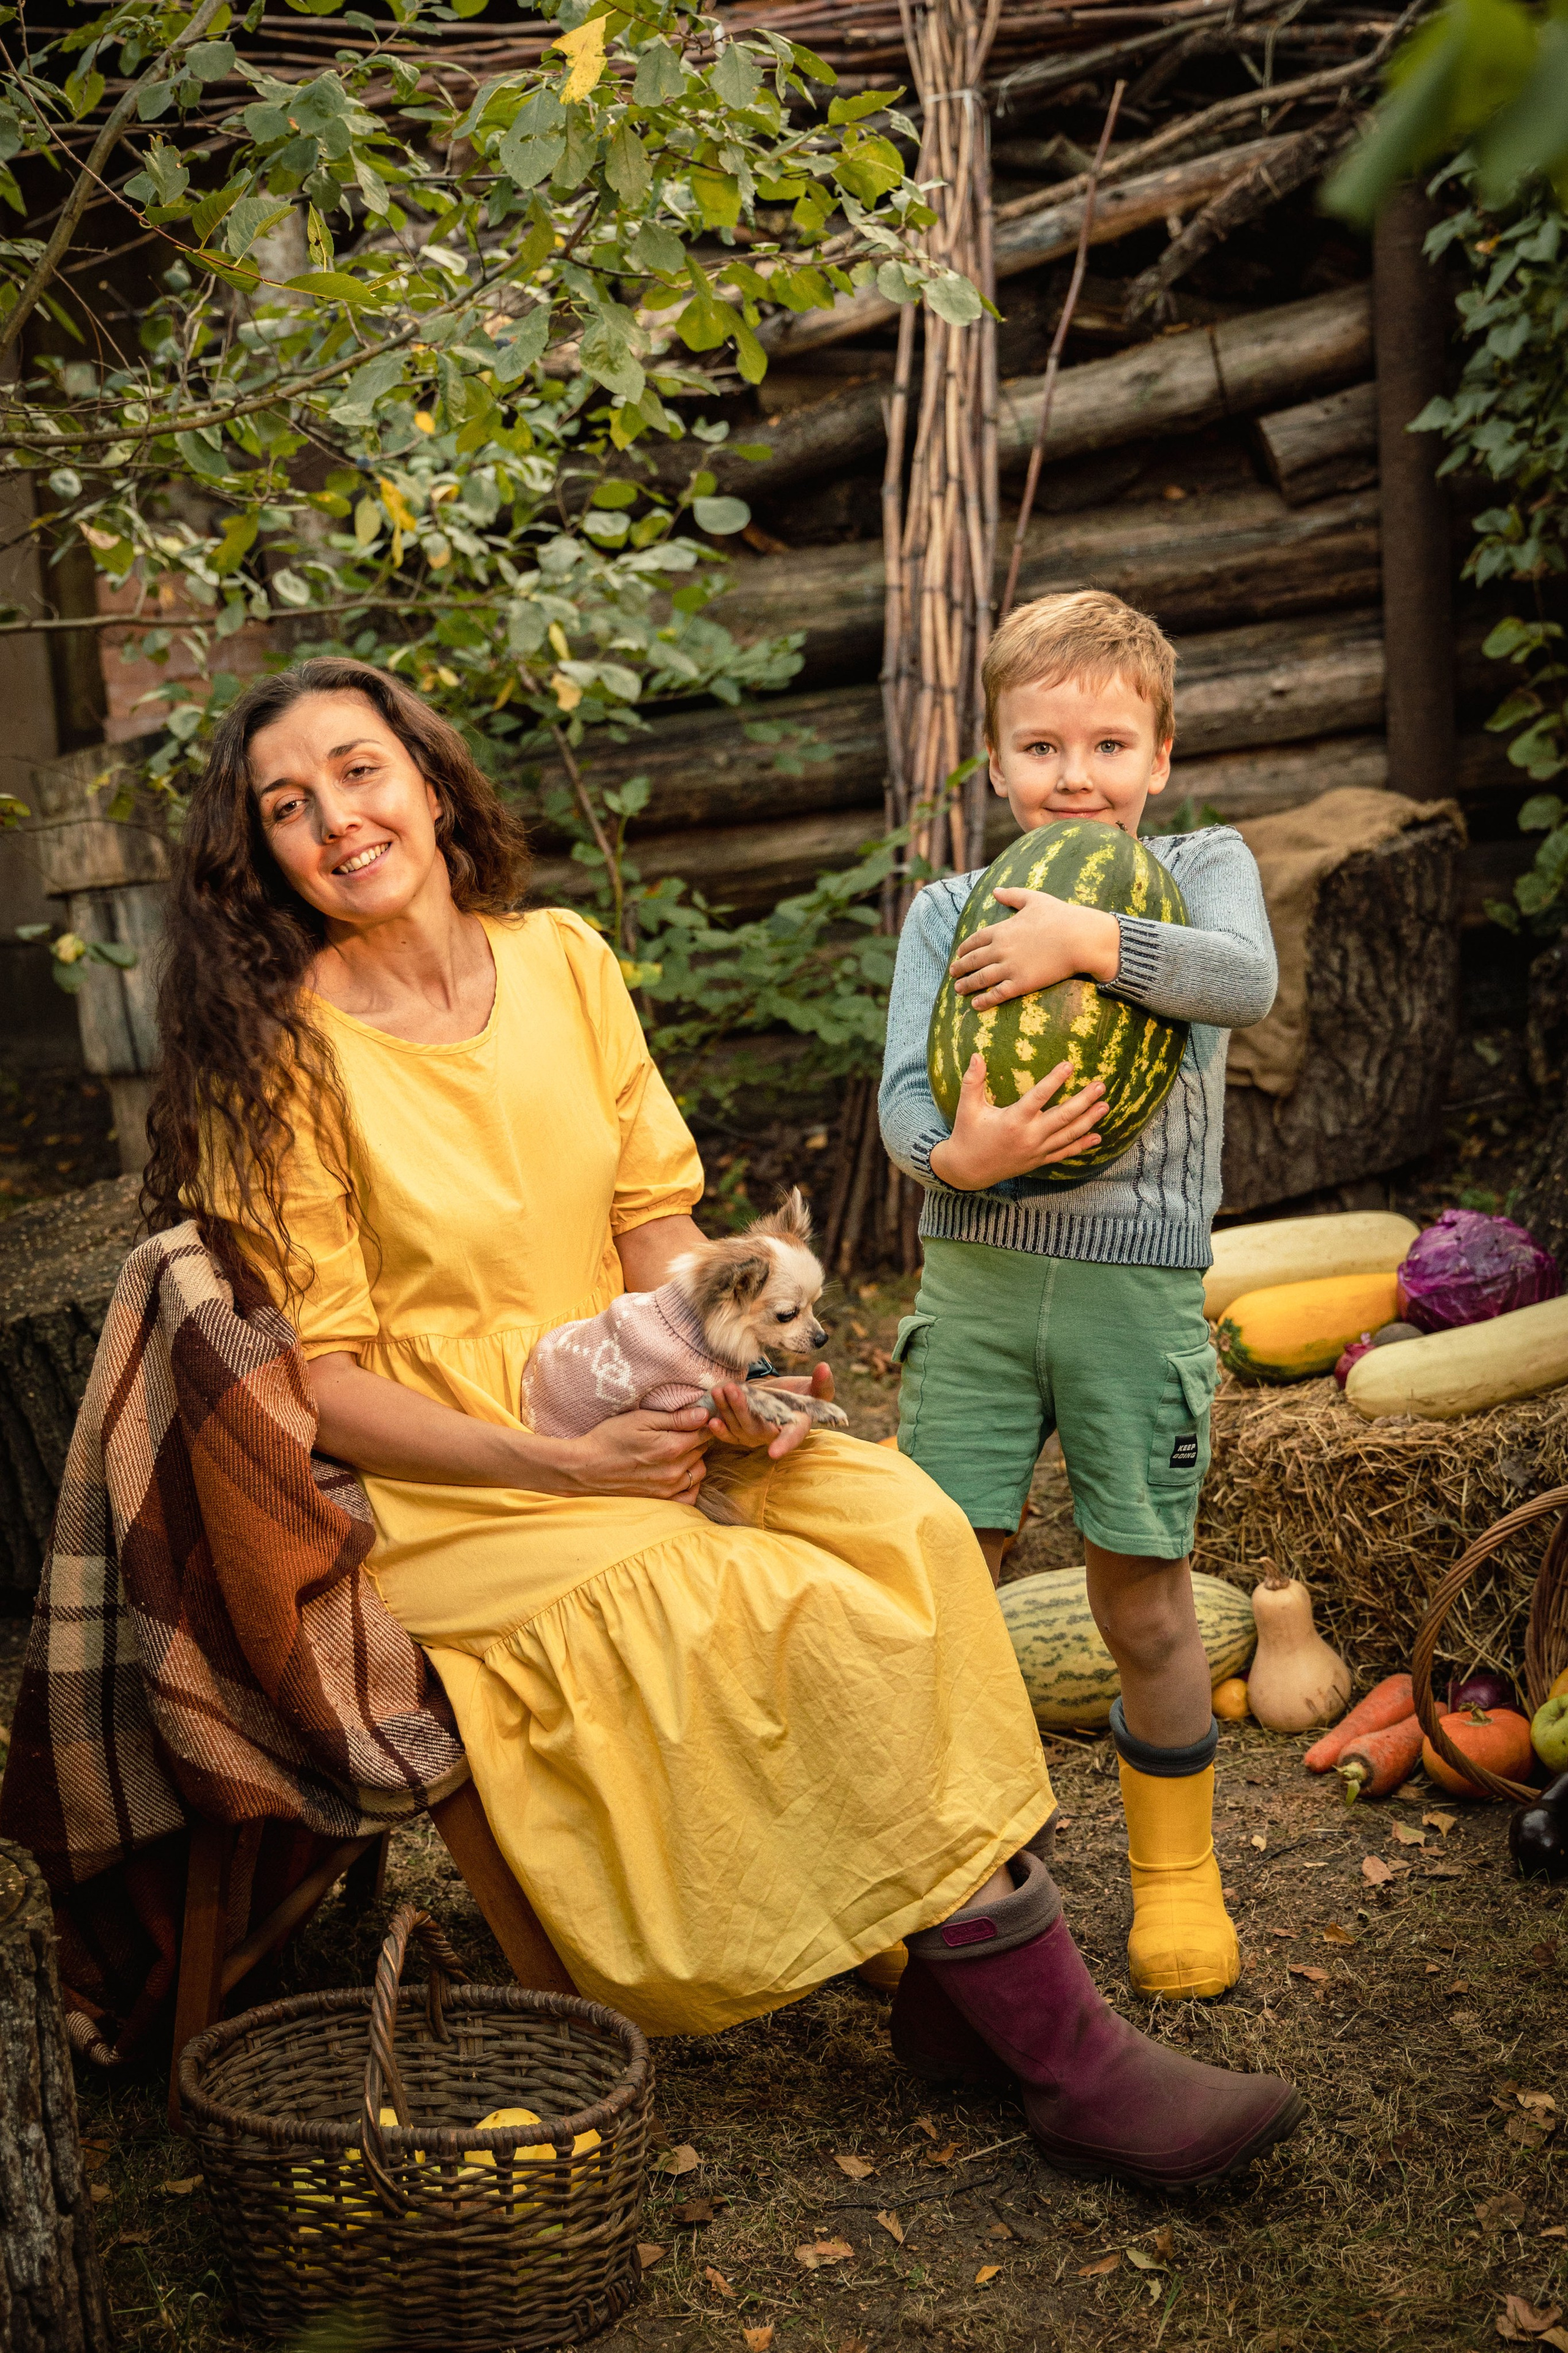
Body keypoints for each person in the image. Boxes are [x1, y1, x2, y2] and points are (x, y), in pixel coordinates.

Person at [142, 653, 1302, 2187]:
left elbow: (656, 1236)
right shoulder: (279, 1056)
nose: (337, 820)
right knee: (728, 1599)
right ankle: (1069, 2059)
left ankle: (965, 1991)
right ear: (266, 857)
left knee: (894, 1521)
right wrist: (561, 1458)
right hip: (453, 1482)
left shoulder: (559, 960)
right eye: (289, 806)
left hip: (638, 1395)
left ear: (425, 779)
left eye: (359, 771)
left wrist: (729, 1385)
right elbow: (327, 1384)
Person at [879, 591, 1278, 2005]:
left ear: (1158, 757)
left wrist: (1090, 946)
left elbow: (1243, 982)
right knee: (935, 1587)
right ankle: (930, 1875)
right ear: (993, 764)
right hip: (976, 1291)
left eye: (1109, 743)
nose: (1075, 775)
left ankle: (1175, 1879)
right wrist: (955, 1154)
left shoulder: (1197, 865)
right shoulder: (946, 906)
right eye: (1039, 747)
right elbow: (901, 1098)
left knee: (1144, 1601)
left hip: (1133, 1300)